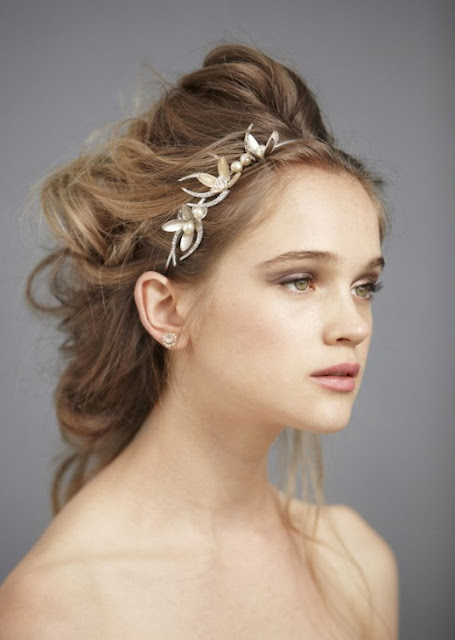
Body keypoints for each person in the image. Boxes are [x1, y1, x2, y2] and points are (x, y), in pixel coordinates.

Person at [0, 44, 398, 638]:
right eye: (299, 280)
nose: (355, 326)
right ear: (167, 309)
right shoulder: (61, 609)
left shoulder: (357, 563)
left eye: (365, 286)